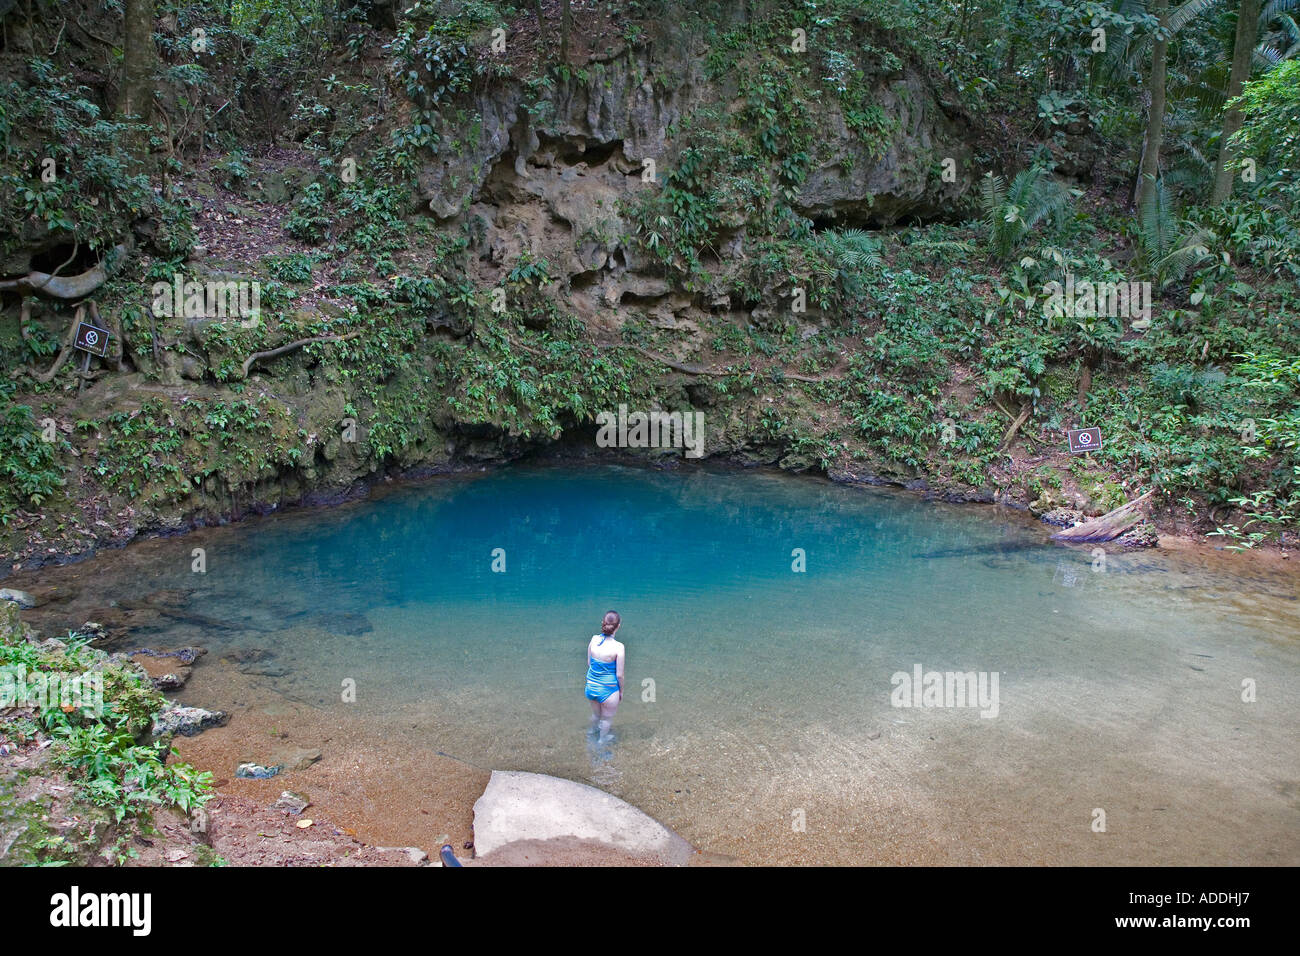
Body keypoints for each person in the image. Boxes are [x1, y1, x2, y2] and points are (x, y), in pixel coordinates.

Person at [585, 610, 625, 742]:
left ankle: (591, 732)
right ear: (618, 626)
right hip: (608, 690)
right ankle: (602, 740)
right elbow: (619, 675)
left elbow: (589, 663)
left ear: (603, 623)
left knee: (596, 715)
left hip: (591, 687)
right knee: (607, 718)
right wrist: (621, 691)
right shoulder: (619, 647)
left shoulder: (594, 639)